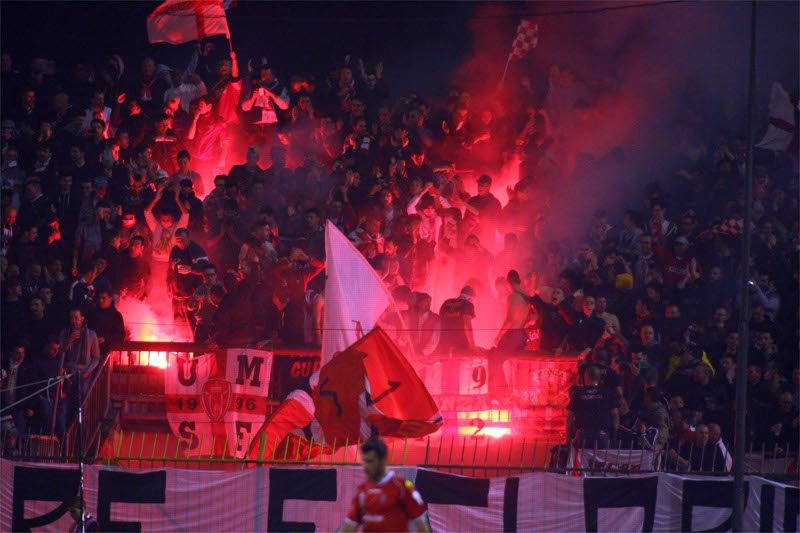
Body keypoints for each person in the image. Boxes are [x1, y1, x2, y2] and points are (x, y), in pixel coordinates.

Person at [341, 437, 430, 533]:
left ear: (383, 460)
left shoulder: (403, 487)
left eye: (370, 461)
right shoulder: (362, 490)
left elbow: (422, 526)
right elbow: (348, 527)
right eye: (364, 461)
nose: (365, 466)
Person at [490, 270, 529, 402]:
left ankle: (502, 395)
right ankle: (513, 394)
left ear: (508, 282)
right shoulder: (526, 296)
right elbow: (534, 316)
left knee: (495, 358)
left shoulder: (513, 297)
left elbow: (510, 320)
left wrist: (498, 336)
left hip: (512, 335)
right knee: (513, 362)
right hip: (522, 334)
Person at [567, 365, 620, 449]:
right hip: (603, 434)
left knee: (582, 460)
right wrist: (614, 436)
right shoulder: (607, 392)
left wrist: (568, 437)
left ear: (585, 377)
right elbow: (615, 414)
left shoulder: (578, 393)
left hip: (583, 434)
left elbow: (570, 416)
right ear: (599, 378)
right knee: (602, 460)